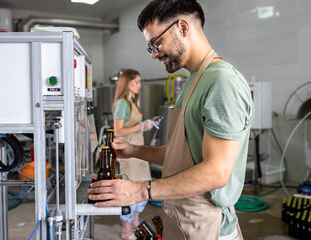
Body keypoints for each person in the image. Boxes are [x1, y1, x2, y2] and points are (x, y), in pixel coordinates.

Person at [89, 1, 254, 239]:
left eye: (156, 43)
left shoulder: (222, 82)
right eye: (151, 47)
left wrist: (141, 190)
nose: (155, 54)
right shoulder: (194, 81)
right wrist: (134, 149)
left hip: (207, 225)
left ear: (183, 27)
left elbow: (216, 172)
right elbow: (180, 154)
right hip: (183, 215)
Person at [112, 69, 157, 240]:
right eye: (136, 82)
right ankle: (126, 230)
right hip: (128, 153)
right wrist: (141, 127)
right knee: (130, 190)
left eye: (139, 82)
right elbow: (118, 130)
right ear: (127, 82)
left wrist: (147, 124)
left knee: (142, 186)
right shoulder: (122, 103)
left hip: (138, 152)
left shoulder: (132, 101)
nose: (139, 85)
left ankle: (135, 222)